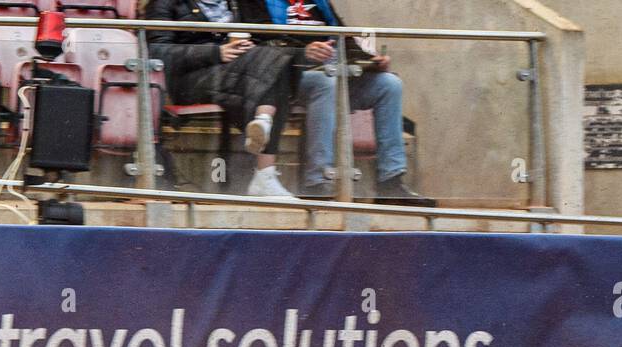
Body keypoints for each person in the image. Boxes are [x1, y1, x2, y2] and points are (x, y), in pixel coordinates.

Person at [251, 0, 434, 206]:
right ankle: (317, 182)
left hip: (335, 72)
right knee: (325, 82)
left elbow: (343, 39)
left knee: (389, 84)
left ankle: (390, 182)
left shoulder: (319, 3)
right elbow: (262, 48)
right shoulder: (261, 3)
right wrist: (303, 52)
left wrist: (370, 60)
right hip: (292, 78)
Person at [146, 0, 303, 197]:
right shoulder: (163, 3)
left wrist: (245, 46)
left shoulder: (234, 2)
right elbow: (157, 52)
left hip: (237, 72)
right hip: (188, 80)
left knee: (277, 63)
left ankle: (263, 123)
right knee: (274, 66)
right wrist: (215, 52)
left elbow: (262, 36)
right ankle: (264, 167)